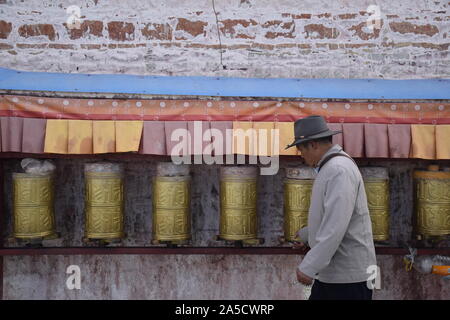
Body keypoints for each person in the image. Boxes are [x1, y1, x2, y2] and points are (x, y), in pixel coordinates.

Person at [285, 115, 377, 300]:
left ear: (313, 145)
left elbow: (335, 226)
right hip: (334, 275)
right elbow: (333, 219)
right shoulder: (331, 168)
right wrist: (308, 235)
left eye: (301, 149)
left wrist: (309, 266)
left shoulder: (338, 170)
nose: (301, 155)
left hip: (348, 278)